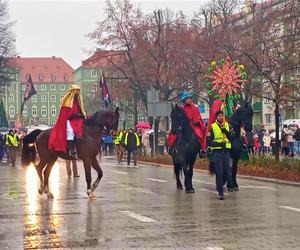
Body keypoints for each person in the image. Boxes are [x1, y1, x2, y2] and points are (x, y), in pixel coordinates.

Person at [48, 85, 86, 158]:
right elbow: (68, 114)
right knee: (70, 132)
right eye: (76, 91)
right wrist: (77, 115)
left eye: (78, 91)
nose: (77, 93)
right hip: (69, 120)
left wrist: (81, 115)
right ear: (73, 91)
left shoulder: (77, 101)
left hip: (77, 120)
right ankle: (70, 150)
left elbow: (79, 110)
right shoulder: (67, 101)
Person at [207, 110, 233, 200]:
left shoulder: (227, 125)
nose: (221, 117)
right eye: (219, 116)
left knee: (228, 172)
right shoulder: (212, 127)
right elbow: (209, 141)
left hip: (226, 151)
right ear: (216, 117)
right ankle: (220, 193)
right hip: (217, 152)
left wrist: (226, 131)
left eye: (222, 116)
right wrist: (218, 144)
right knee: (219, 173)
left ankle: (227, 185)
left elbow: (232, 138)